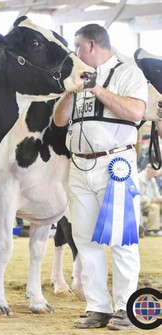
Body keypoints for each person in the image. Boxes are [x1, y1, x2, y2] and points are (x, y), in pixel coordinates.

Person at [54, 24, 148, 331]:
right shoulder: (78, 77)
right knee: (84, 238)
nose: (75, 53)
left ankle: (125, 307)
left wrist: (96, 88)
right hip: (79, 167)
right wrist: (72, 90)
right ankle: (98, 307)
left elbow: (135, 112)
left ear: (93, 45)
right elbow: (59, 120)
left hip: (115, 166)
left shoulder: (127, 72)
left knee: (122, 240)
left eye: (78, 47)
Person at [138, 163, 162, 236]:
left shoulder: (152, 179)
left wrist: (160, 199)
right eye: (154, 172)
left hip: (150, 201)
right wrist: (151, 200)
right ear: (148, 170)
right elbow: (139, 197)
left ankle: (159, 227)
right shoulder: (139, 178)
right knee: (154, 207)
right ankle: (152, 230)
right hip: (142, 203)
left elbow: (157, 194)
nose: (155, 175)